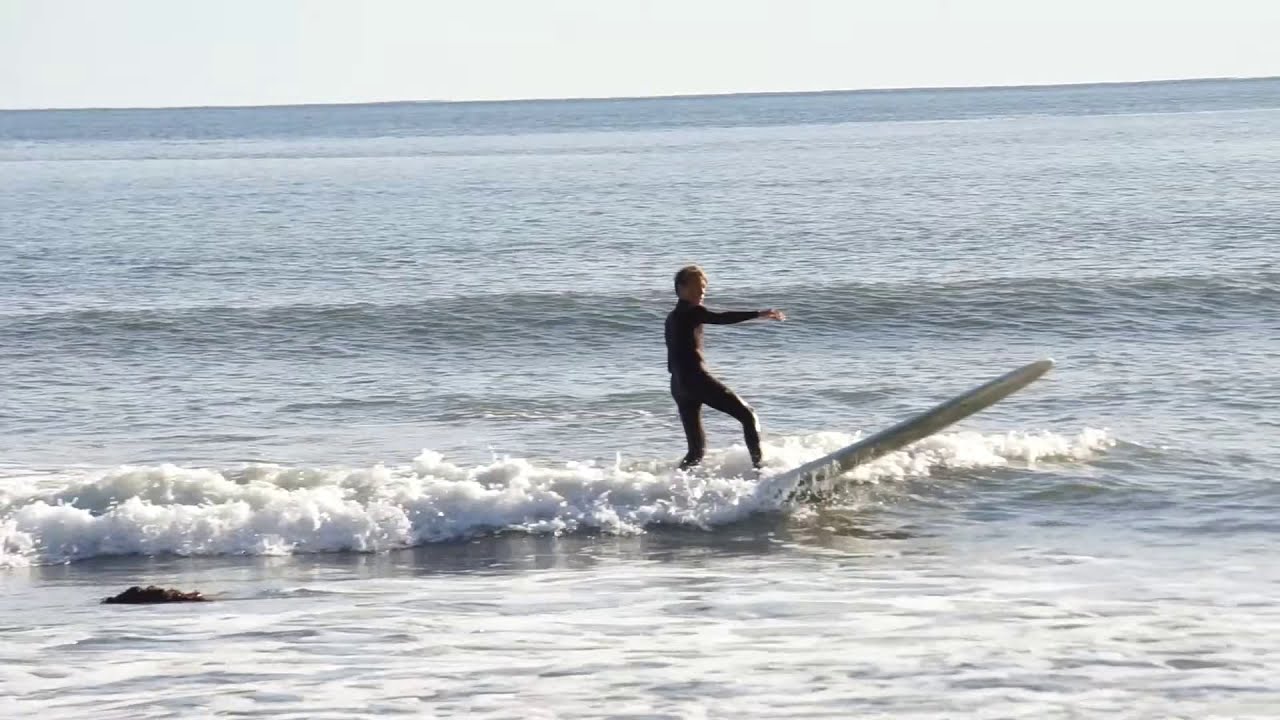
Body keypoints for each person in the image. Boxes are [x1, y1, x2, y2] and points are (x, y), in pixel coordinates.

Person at [664, 265, 785, 471]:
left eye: (703, 288)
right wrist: (758, 313)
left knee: (696, 451)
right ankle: (761, 471)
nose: (701, 292)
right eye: (696, 287)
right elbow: (720, 317)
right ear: (681, 288)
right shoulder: (692, 311)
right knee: (748, 415)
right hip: (696, 380)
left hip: (678, 385)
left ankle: (668, 485)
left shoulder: (672, 317)